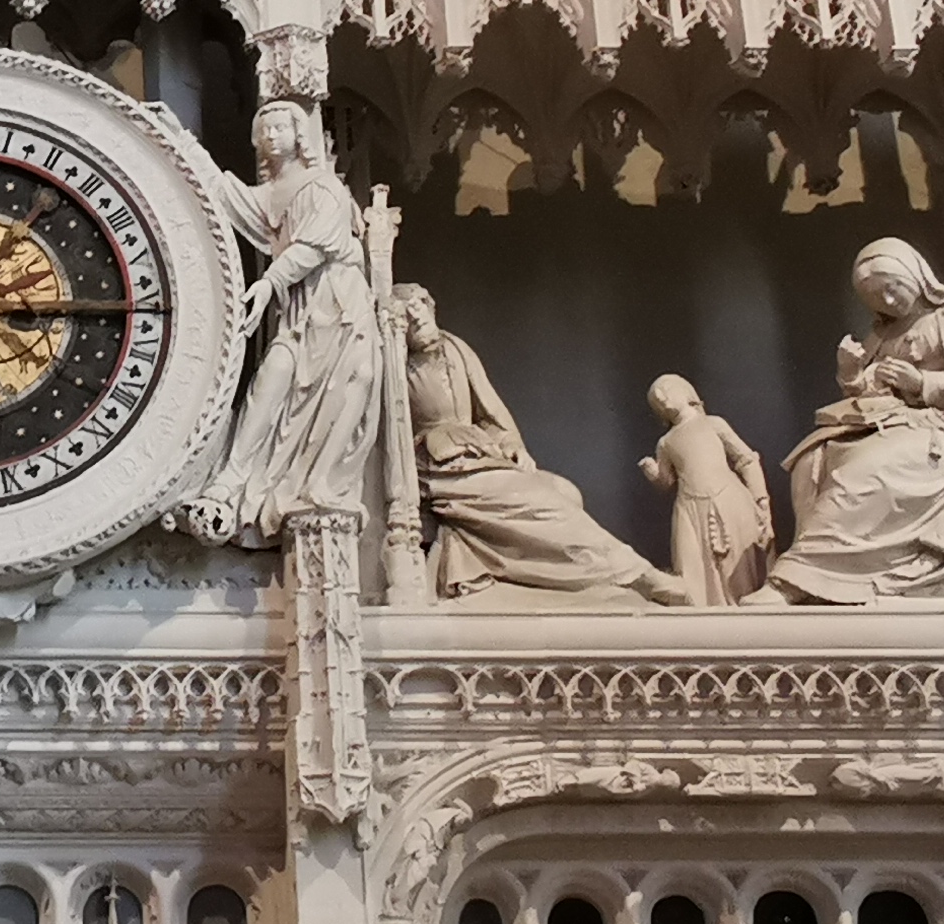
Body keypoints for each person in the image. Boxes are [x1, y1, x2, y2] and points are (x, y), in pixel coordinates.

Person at [758, 238, 944, 603]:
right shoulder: (883, 332)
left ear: (914, 273)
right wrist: (851, 374)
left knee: (863, 473)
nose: (888, 301)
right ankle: (831, 582)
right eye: (876, 298)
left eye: (892, 288)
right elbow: (868, 392)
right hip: (887, 424)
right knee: (811, 460)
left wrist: (922, 383)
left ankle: (797, 577)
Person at [399, 290, 673, 602]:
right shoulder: (397, 367)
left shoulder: (455, 348)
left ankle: (591, 583)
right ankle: (634, 572)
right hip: (443, 465)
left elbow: (490, 412)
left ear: (431, 307)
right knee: (543, 507)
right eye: (406, 315)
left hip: (481, 453)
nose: (416, 316)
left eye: (419, 305)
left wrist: (512, 444)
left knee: (566, 492)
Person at [196, 102, 386, 537]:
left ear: (300, 135)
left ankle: (318, 485)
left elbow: (313, 248)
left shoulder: (324, 187)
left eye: (281, 127)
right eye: (264, 129)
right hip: (299, 308)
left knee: (350, 384)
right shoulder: (269, 196)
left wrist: (268, 283)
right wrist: (178, 140)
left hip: (339, 303)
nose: (272, 135)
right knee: (273, 377)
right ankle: (232, 479)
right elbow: (221, 192)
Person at [636, 375, 773, 605]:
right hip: (690, 510)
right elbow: (667, 481)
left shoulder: (713, 424)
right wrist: (653, 474)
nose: (661, 398)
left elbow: (746, 460)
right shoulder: (666, 442)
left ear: (687, 392)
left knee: (739, 566)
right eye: (655, 400)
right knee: (694, 569)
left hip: (730, 499)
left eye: (666, 390)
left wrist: (761, 500)